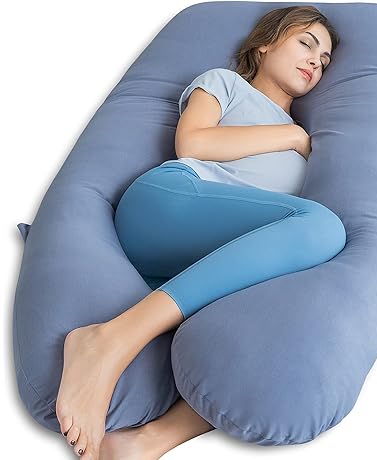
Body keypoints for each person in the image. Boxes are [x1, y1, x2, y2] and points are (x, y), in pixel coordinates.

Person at [55, 6, 348, 460]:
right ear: (264, 44)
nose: (315, 61)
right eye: (306, 44)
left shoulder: (314, 146)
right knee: (325, 227)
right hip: (169, 204)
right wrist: (291, 136)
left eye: (325, 60)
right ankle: (108, 340)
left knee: (279, 330)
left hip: (201, 269)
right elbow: (193, 142)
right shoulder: (226, 84)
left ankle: (147, 442)